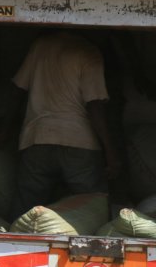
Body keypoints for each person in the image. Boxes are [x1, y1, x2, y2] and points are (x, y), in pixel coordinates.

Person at [10, 33, 115, 217]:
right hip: (79, 143)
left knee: (26, 210)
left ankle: (14, 242)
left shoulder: (41, 45)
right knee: (90, 206)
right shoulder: (88, 52)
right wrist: (110, 152)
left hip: (37, 138)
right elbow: (95, 105)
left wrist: (4, 128)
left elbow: (18, 89)